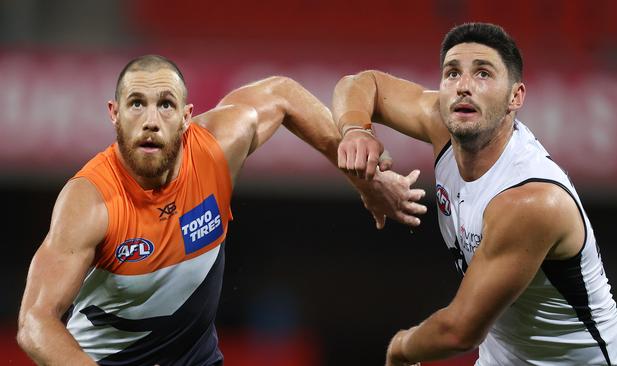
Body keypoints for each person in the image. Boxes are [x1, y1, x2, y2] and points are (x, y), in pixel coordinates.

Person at [16, 55, 426, 365]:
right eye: (136, 104)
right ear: (114, 114)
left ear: (186, 118)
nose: (151, 120)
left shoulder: (214, 150)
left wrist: (366, 182)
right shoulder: (89, 200)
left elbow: (283, 95)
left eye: (166, 105)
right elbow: (35, 323)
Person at [333, 23, 617, 366]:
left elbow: (460, 331)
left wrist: (401, 348)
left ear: (515, 97)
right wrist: (355, 130)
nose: (463, 86)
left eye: (483, 73)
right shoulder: (441, 121)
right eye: (452, 73)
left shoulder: (530, 199)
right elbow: (362, 83)